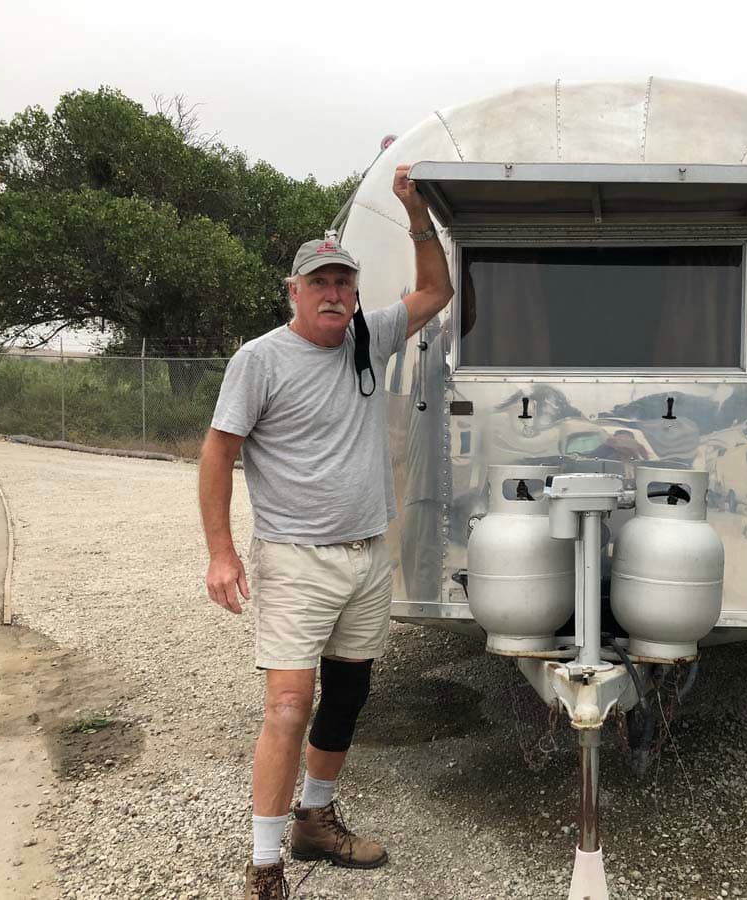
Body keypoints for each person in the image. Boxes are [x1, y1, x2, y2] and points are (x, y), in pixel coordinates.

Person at [197, 164, 453, 899]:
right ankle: (267, 861)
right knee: (288, 703)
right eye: (320, 284)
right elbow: (218, 450)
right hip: (295, 559)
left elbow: (436, 291)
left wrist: (415, 213)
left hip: (368, 555)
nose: (335, 295)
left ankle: (316, 819)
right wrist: (220, 551)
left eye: (344, 282)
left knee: (348, 695)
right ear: (294, 293)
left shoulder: (366, 340)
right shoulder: (260, 359)